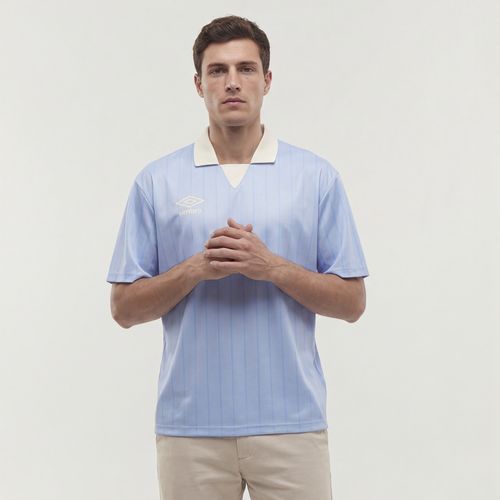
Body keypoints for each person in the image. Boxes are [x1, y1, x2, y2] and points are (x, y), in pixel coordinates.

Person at [106, 14, 369, 500]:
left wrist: (271, 267)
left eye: (246, 69)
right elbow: (123, 309)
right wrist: (195, 269)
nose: (232, 82)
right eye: (218, 70)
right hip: (189, 429)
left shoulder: (315, 177)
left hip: (292, 425)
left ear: (266, 80)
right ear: (198, 84)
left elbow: (352, 303)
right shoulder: (156, 181)